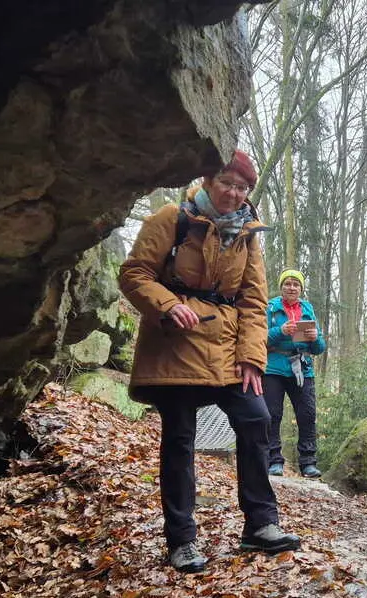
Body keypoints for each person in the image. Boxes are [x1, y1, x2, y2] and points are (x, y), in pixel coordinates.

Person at [119, 149, 301, 574]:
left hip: (226, 349)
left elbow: (254, 301)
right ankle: (181, 540)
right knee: (180, 437)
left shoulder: (248, 234)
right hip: (176, 345)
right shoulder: (171, 218)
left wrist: (252, 358)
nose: (235, 193)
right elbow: (134, 274)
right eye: (227, 183)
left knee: (255, 418)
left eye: (242, 187)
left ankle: (260, 525)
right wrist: (166, 304)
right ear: (207, 180)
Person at [263, 268, 326, 479]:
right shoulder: (271, 308)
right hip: (274, 367)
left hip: (303, 366)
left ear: (301, 288)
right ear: (281, 287)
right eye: (288, 283)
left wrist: (315, 337)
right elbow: (257, 339)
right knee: (272, 414)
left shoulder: (308, 309)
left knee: (307, 415)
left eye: (296, 284)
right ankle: (274, 460)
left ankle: (308, 462)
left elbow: (319, 348)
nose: (292, 287)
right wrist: (280, 331)